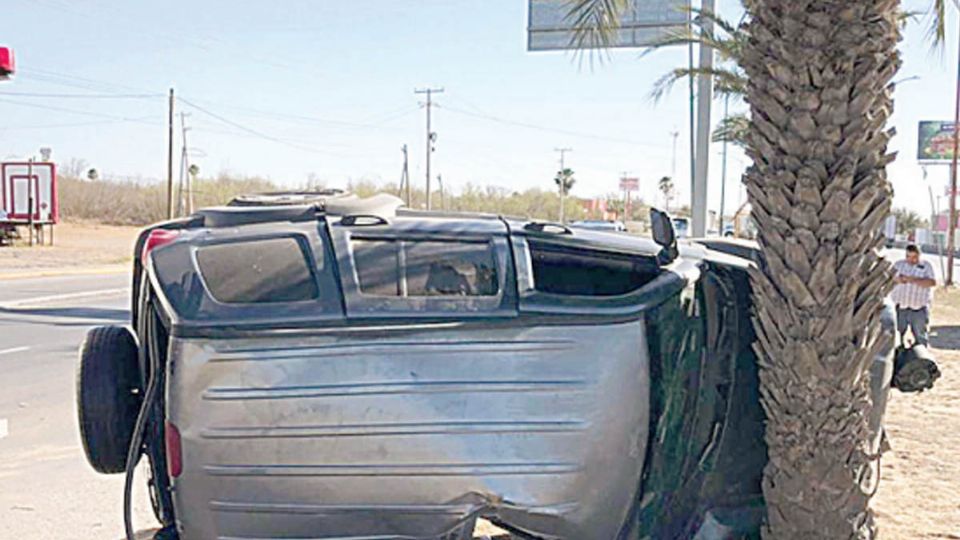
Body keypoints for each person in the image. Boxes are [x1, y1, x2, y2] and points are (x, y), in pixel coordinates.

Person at [891, 244, 937, 346]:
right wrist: (898, 279)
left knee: (920, 335)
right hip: (901, 306)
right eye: (908, 256)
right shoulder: (898, 265)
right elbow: (890, 278)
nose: (911, 260)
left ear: (919, 255)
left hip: (918, 308)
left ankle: (921, 357)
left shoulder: (926, 266)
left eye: (914, 257)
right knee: (896, 335)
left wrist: (913, 280)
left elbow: (932, 282)